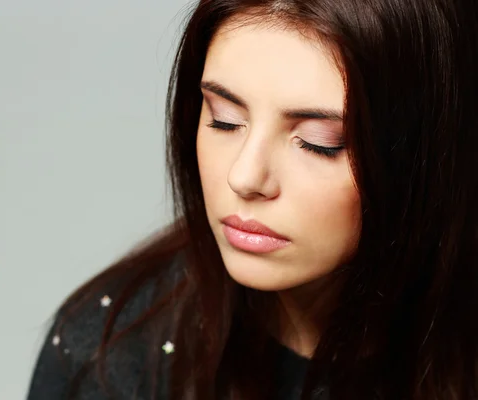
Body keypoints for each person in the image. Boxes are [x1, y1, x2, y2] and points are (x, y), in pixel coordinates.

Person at [26, 0, 478, 398]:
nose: (244, 176)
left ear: (430, 152)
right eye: (224, 119)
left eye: (319, 142)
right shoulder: (111, 356)